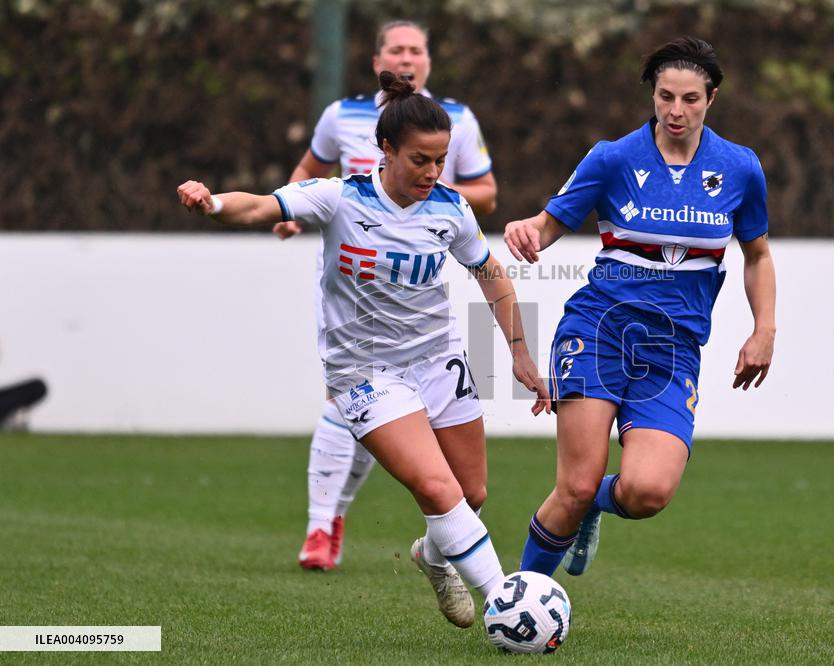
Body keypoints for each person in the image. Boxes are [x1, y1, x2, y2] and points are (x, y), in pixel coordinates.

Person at [177, 72, 549, 628]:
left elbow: (491, 274)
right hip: (365, 372)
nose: (432, 172)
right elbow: (258, 207)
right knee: (436, 487)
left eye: (440, 160)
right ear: (387, 149)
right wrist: (211, 204)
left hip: (438, 358)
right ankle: (507, 604)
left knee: (470, 493)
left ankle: (432, 556)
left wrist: (519, 353)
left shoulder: (451, 209)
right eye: (420, 159)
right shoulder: (340, 197)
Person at [504, 36, 776, 577]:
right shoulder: (612, 158)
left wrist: (764, 328)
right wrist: (527, 229)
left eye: (690, 99)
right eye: (665, 96)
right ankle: (518, 600)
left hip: (673, 347)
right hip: (599, 328)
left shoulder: (741, 168)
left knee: (647, 491)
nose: (676, 110)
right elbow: (549, 223)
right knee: (575, 484)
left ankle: (591, 508)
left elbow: (758, 255)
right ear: (652, 94)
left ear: (711, 99)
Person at [273, 20, 498, 573]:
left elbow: (487, 194)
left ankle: (424, 541)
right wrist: (290, 210)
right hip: (353, 278)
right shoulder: (341, 115)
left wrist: (425, 197)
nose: (406, 58)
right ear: (378, 61)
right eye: (396, 49)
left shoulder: (456, 119)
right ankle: (323, 524)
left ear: (428, 60)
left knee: (461, 481)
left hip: (416, 282)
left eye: (416, 49)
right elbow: (309, 172)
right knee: (351, 397)